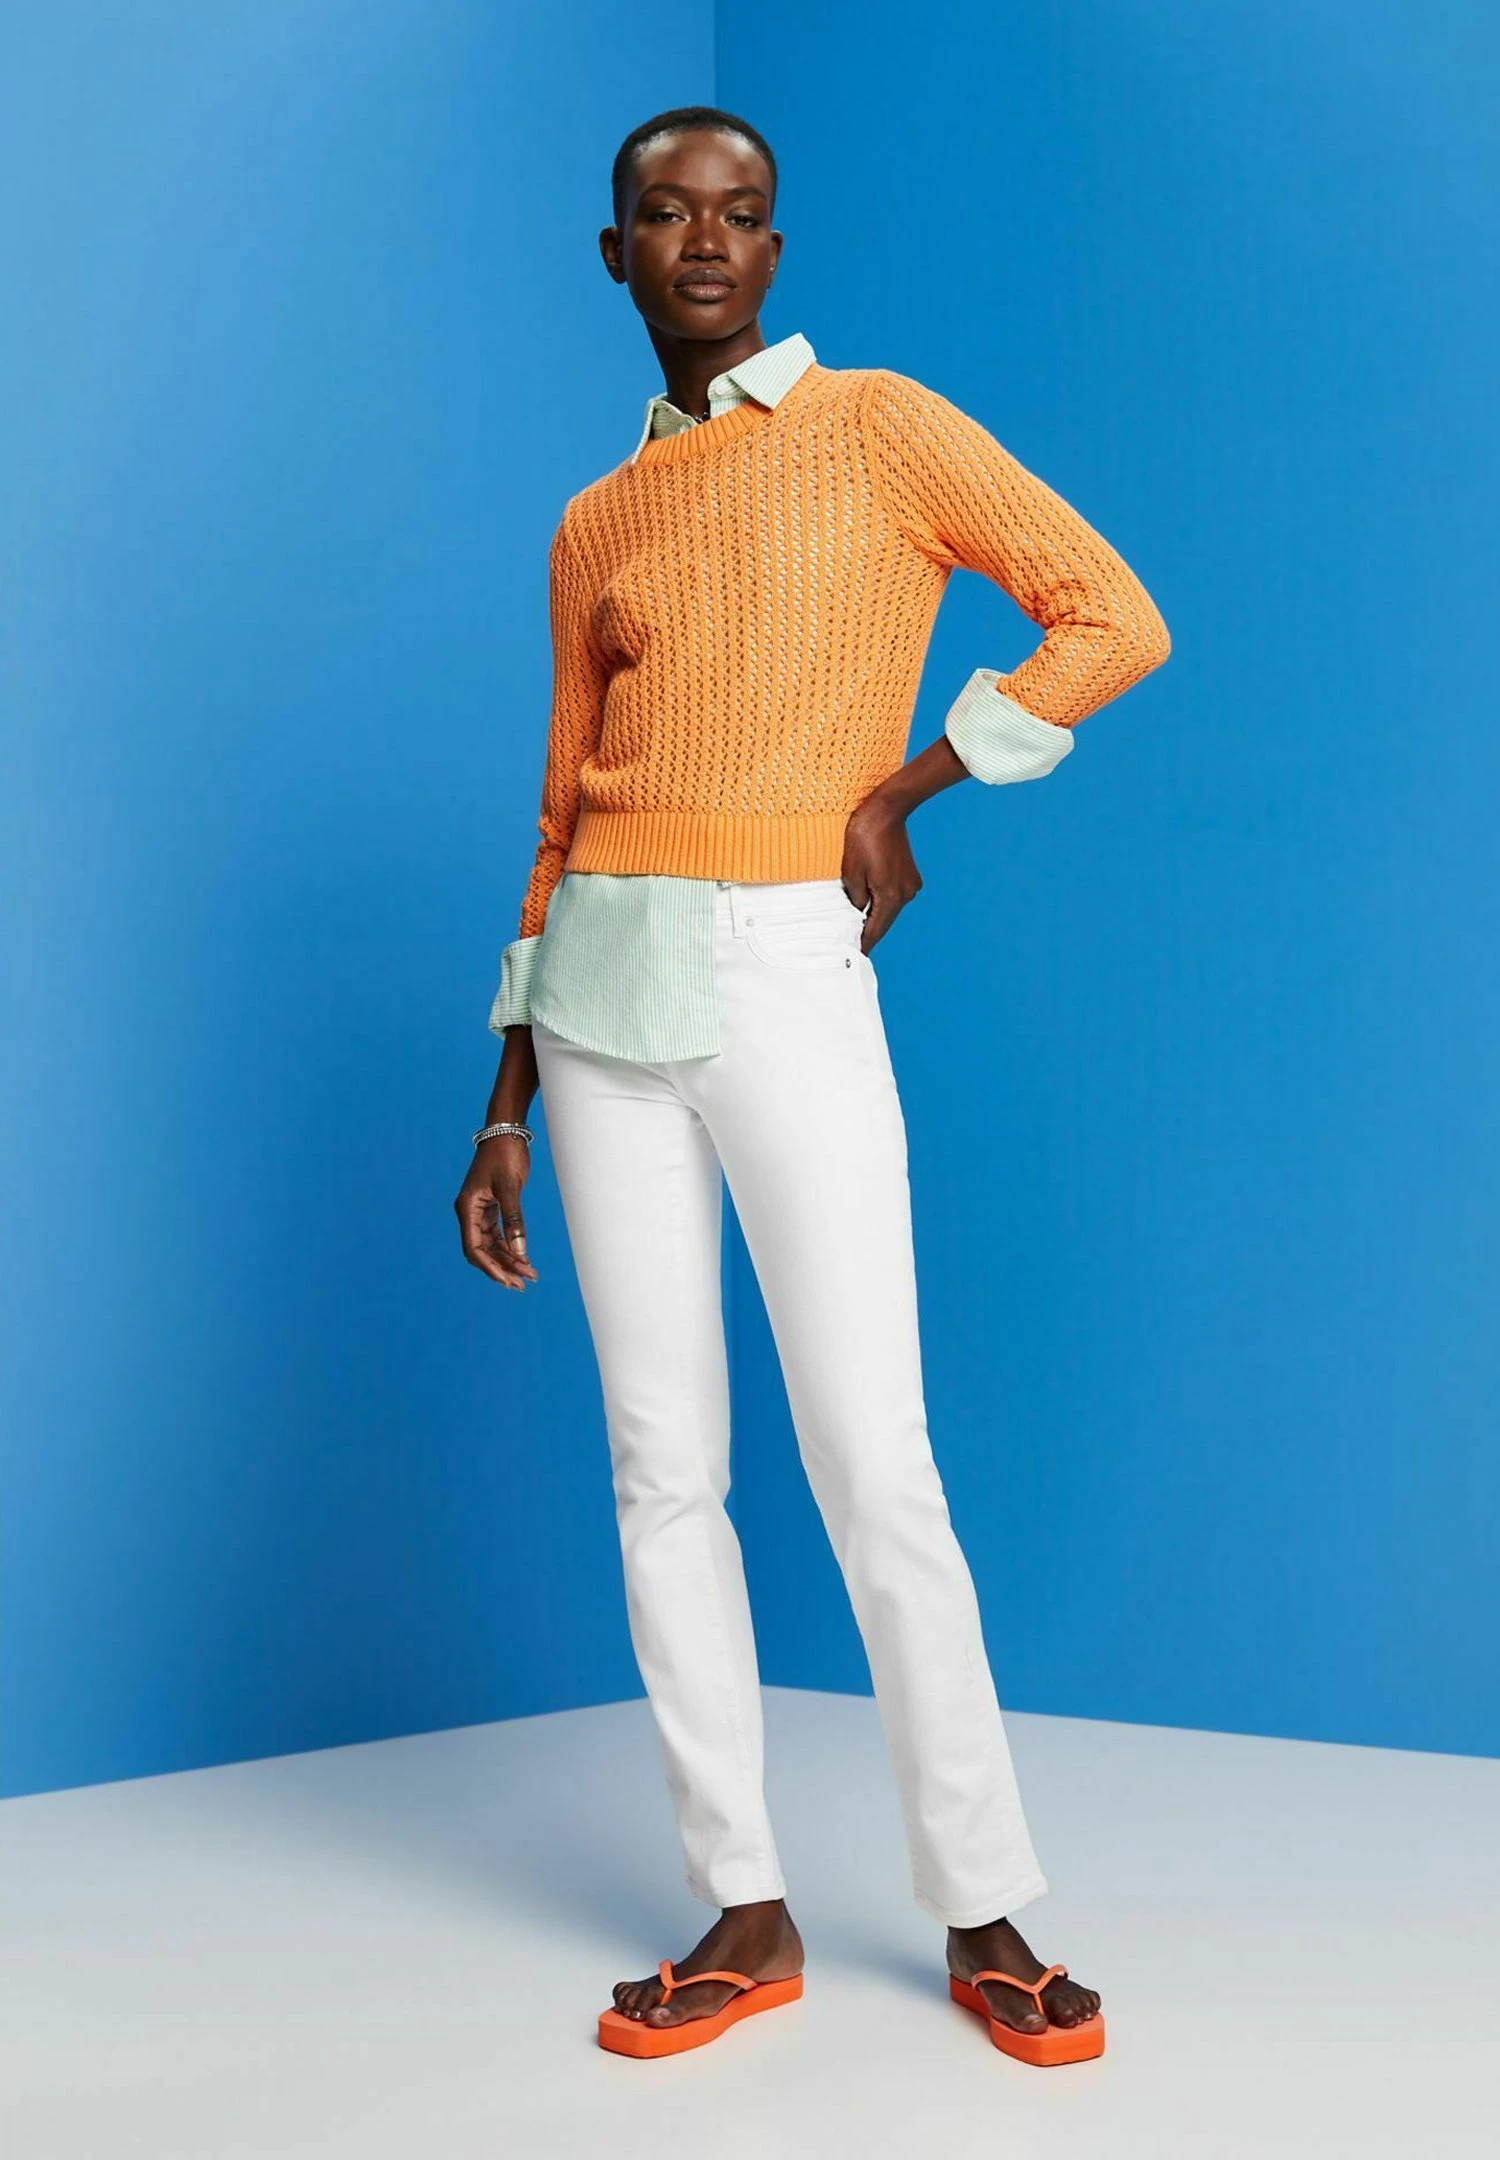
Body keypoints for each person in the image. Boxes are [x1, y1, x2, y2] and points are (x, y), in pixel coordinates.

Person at [455, 104, 1170, 2063]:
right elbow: (558, 810)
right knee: (661, 1469)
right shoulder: (595, 522)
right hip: (596, 997)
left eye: (742, 213)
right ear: (615, 250)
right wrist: (505, 1093)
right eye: (666, 212)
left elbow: (1109, 617)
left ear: (776, 249)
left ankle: (985, 1910)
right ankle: (743, 1905)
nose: (706, 239)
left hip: (783, 965)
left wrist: (913, 787)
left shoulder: (876, 428)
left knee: (874, 1459)